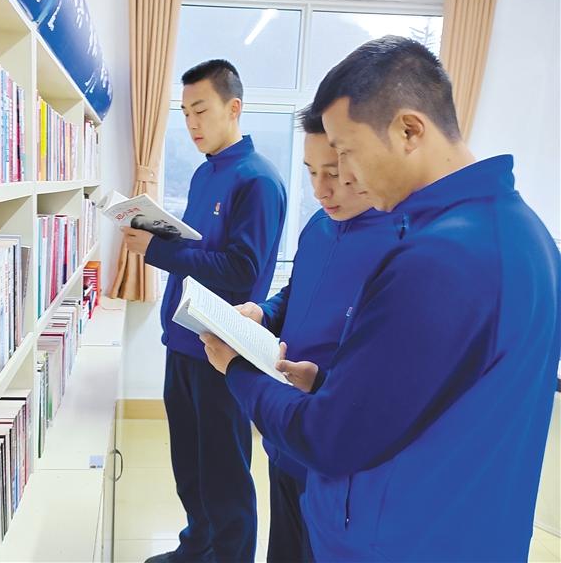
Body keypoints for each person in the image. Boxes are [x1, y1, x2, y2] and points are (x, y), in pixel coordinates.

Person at [201, 35, 560, 561]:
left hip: (400, 539)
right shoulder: (525, 233)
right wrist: (330, 383)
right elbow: (442, 394)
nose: (345, 176)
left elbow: (329, 438)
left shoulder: (439, 258)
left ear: (409, 130)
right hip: (467, 529)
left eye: (346, 153)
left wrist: (237, 368)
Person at [122, 59, 286, 563]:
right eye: (185, 112)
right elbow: (200, 247)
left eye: (201, 110)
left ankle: (229, 556)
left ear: (233, 108)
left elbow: (241, 271)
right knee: (189, 464)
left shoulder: (258, 180)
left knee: (224, 471)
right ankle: (196, 547)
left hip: (222, 350)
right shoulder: (203, 172)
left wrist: (157, 250)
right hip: (182, 341)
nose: (192, 123)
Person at [235, 105, 400, 563]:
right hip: (285, 431)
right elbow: (296, 292)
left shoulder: (401, 245)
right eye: (310, 172)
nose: (320, 189)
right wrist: (263, 313)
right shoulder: (318, 226)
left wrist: (322, 381)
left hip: (335, 450)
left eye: (333, 172)